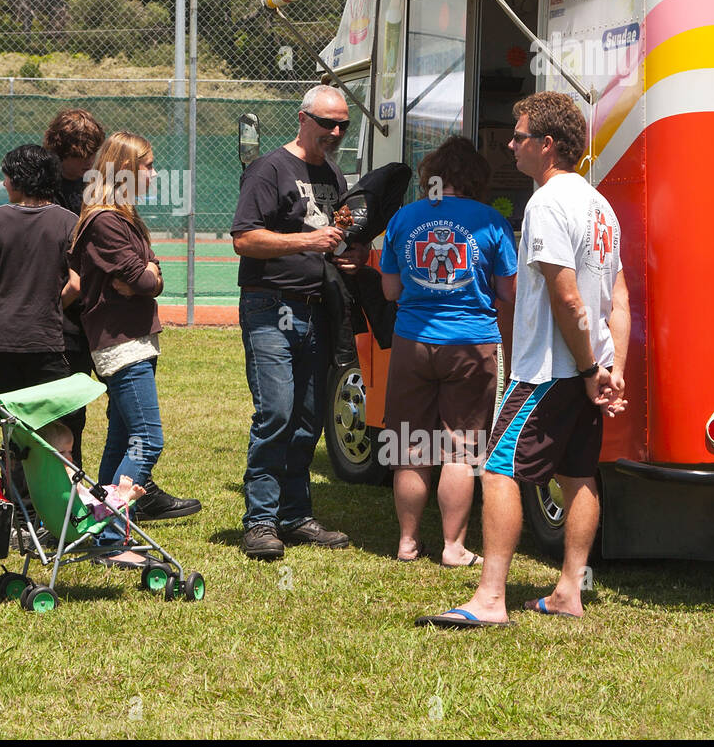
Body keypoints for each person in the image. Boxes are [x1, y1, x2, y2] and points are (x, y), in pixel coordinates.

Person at [418, 92, 629, 628]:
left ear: (547, 145)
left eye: (519, 136)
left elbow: (568, 297)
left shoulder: (548, 202)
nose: (509, 144)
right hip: (589, 367)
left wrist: (586, 369)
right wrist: (611, 369)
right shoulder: (601, 206)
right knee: (578, 475)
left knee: (496, 470)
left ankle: (489, 599)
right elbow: (619, 302)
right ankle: (567, 592)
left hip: (551, 371)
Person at [232, 84, 367, 560]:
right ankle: (261, 520)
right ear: (303, 118)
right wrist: (307, 244)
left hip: (318, 306)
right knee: (278, 412)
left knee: (309, 418)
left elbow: (346, 230)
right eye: (327, 123)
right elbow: (245, 239)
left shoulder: (332, 171)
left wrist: (354, 253)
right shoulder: (268, 169)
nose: (335, 132)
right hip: (272, 307)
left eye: (343, 125)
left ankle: (294, 514)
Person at [377, 136, 517, 566]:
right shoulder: (491, 221)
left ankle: (406, 542)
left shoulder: (404, 218)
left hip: (412, 344)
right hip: (471, 345)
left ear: (432, 175)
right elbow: (508, 293)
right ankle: (453, 547)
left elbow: (390, 289)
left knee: (409, 446)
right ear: (475, 179)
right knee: (461, 448)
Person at [69, 131, 200, 567]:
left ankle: (103, 533)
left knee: (121, 437)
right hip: (121, 346)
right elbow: (143, 280)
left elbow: (148, 275)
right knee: (148, 439)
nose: (154, 173)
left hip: (134, 341)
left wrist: (147, 274)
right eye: (147, 165)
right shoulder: (105, 221)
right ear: (122, 169)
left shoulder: (121, 218)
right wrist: (146, 275)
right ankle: (110, 533)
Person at [0, 144, 82, 457]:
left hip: (2, 339)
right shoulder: (68, 221)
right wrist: (48, 303)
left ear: (19, 179)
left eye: (7, 177)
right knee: (53, 427)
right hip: (47, 340)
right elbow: (76, 283)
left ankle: (17, 499)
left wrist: (8, 297)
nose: (4, 183)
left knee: (12, 425)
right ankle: (52, 495)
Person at [44, 108, 105, 468]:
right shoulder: (43, 187)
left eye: (92, 155)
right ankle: (62, 492)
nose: (88, 163)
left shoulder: (94, 187)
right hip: (60, 313)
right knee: (65, 411)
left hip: (92, 309)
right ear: (60, 151)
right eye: (81, 157)